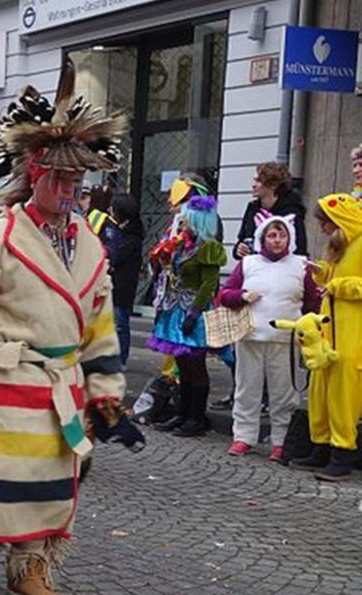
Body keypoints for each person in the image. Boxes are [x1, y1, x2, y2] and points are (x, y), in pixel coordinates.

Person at [0, 59, 143, 595]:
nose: (69, 189)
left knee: (56, 480)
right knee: (7, 475)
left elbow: (99, 321)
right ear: (35, 175)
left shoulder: (90, 244)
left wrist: (105, 392)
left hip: (64, 383)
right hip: (10, 377)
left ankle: (28, 568)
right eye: (59, 179)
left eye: (76, 181)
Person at [219, 214, 320, 460]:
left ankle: (280, 441)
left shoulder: (301, 266)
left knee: (283, 393)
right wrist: (242, 296)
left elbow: (311, 303)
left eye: (282, 235)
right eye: (272, 235)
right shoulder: (248, 263)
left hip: (285, 339)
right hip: (250, 336)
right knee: (247, 389)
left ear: (290, 238)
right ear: (263, 238)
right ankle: (243, 437)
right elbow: (225, 294)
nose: (277, 240)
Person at [291, 195, 362, 481]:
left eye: (324, 223)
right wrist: (321, 273)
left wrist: (336, 285)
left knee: (343, 396)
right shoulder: (341, 244)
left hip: (352, 335)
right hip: (329, 333)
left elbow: (352, 284)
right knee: (320, 391)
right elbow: (335, 279)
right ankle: (320, 447)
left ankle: (342, 453)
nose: (321, 229)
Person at [147, 189, 227, 437]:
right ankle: (182, 413)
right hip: (175, 307)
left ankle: (196, 417)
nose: (182, 223)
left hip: (194, 310)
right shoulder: (182, 244)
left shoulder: (209, 247)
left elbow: (209, 284)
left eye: (187, 219)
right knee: (182, 363)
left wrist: (194, 313)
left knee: (195, 365)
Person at [234, 162, 307, 260]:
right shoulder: (252, 208)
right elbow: (242, 239)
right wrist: (239, 249)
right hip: (254, 267)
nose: (253, 185)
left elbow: (300, 249)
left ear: (273, 185)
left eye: (258, 181)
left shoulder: (292, 211)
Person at [109, 193, 144, 366]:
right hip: (115, 284)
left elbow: (116, 256)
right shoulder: (121, 230)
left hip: (123, 286)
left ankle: (121, 359)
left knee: (120, 323)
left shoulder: (132, 235)